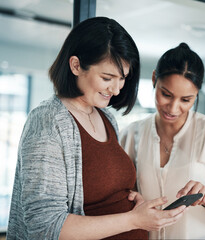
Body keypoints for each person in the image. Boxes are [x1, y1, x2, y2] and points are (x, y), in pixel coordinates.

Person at [7, 17, 186, 240]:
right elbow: (46, 226)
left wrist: (134, 201)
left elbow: (105, 192)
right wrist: (133, 220)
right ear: (75, 65)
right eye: (107, 77)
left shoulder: (106, 117)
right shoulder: (48, 120)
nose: (117, 89)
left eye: (122, 78)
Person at [119, 42, 205, 239]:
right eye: (166, 94)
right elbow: (125, 202)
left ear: (197, 95)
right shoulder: (131, 134)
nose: (173, 108)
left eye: (186, 100)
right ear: (153, 80)